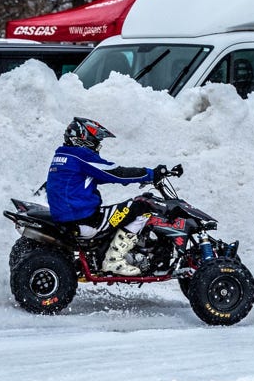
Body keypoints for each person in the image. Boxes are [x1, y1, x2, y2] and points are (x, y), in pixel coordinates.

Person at [46, 117, 167, 276]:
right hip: (84, 219)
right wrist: (150, 174)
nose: (97, 146)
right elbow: (117, 173)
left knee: (129, 209)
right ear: (84, 138)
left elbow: (86, 179)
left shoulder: (63, 157)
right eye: (95, 141)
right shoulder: (80, 156)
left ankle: (109, 251)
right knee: (143, 206)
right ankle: (114, 259)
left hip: (68, 216)